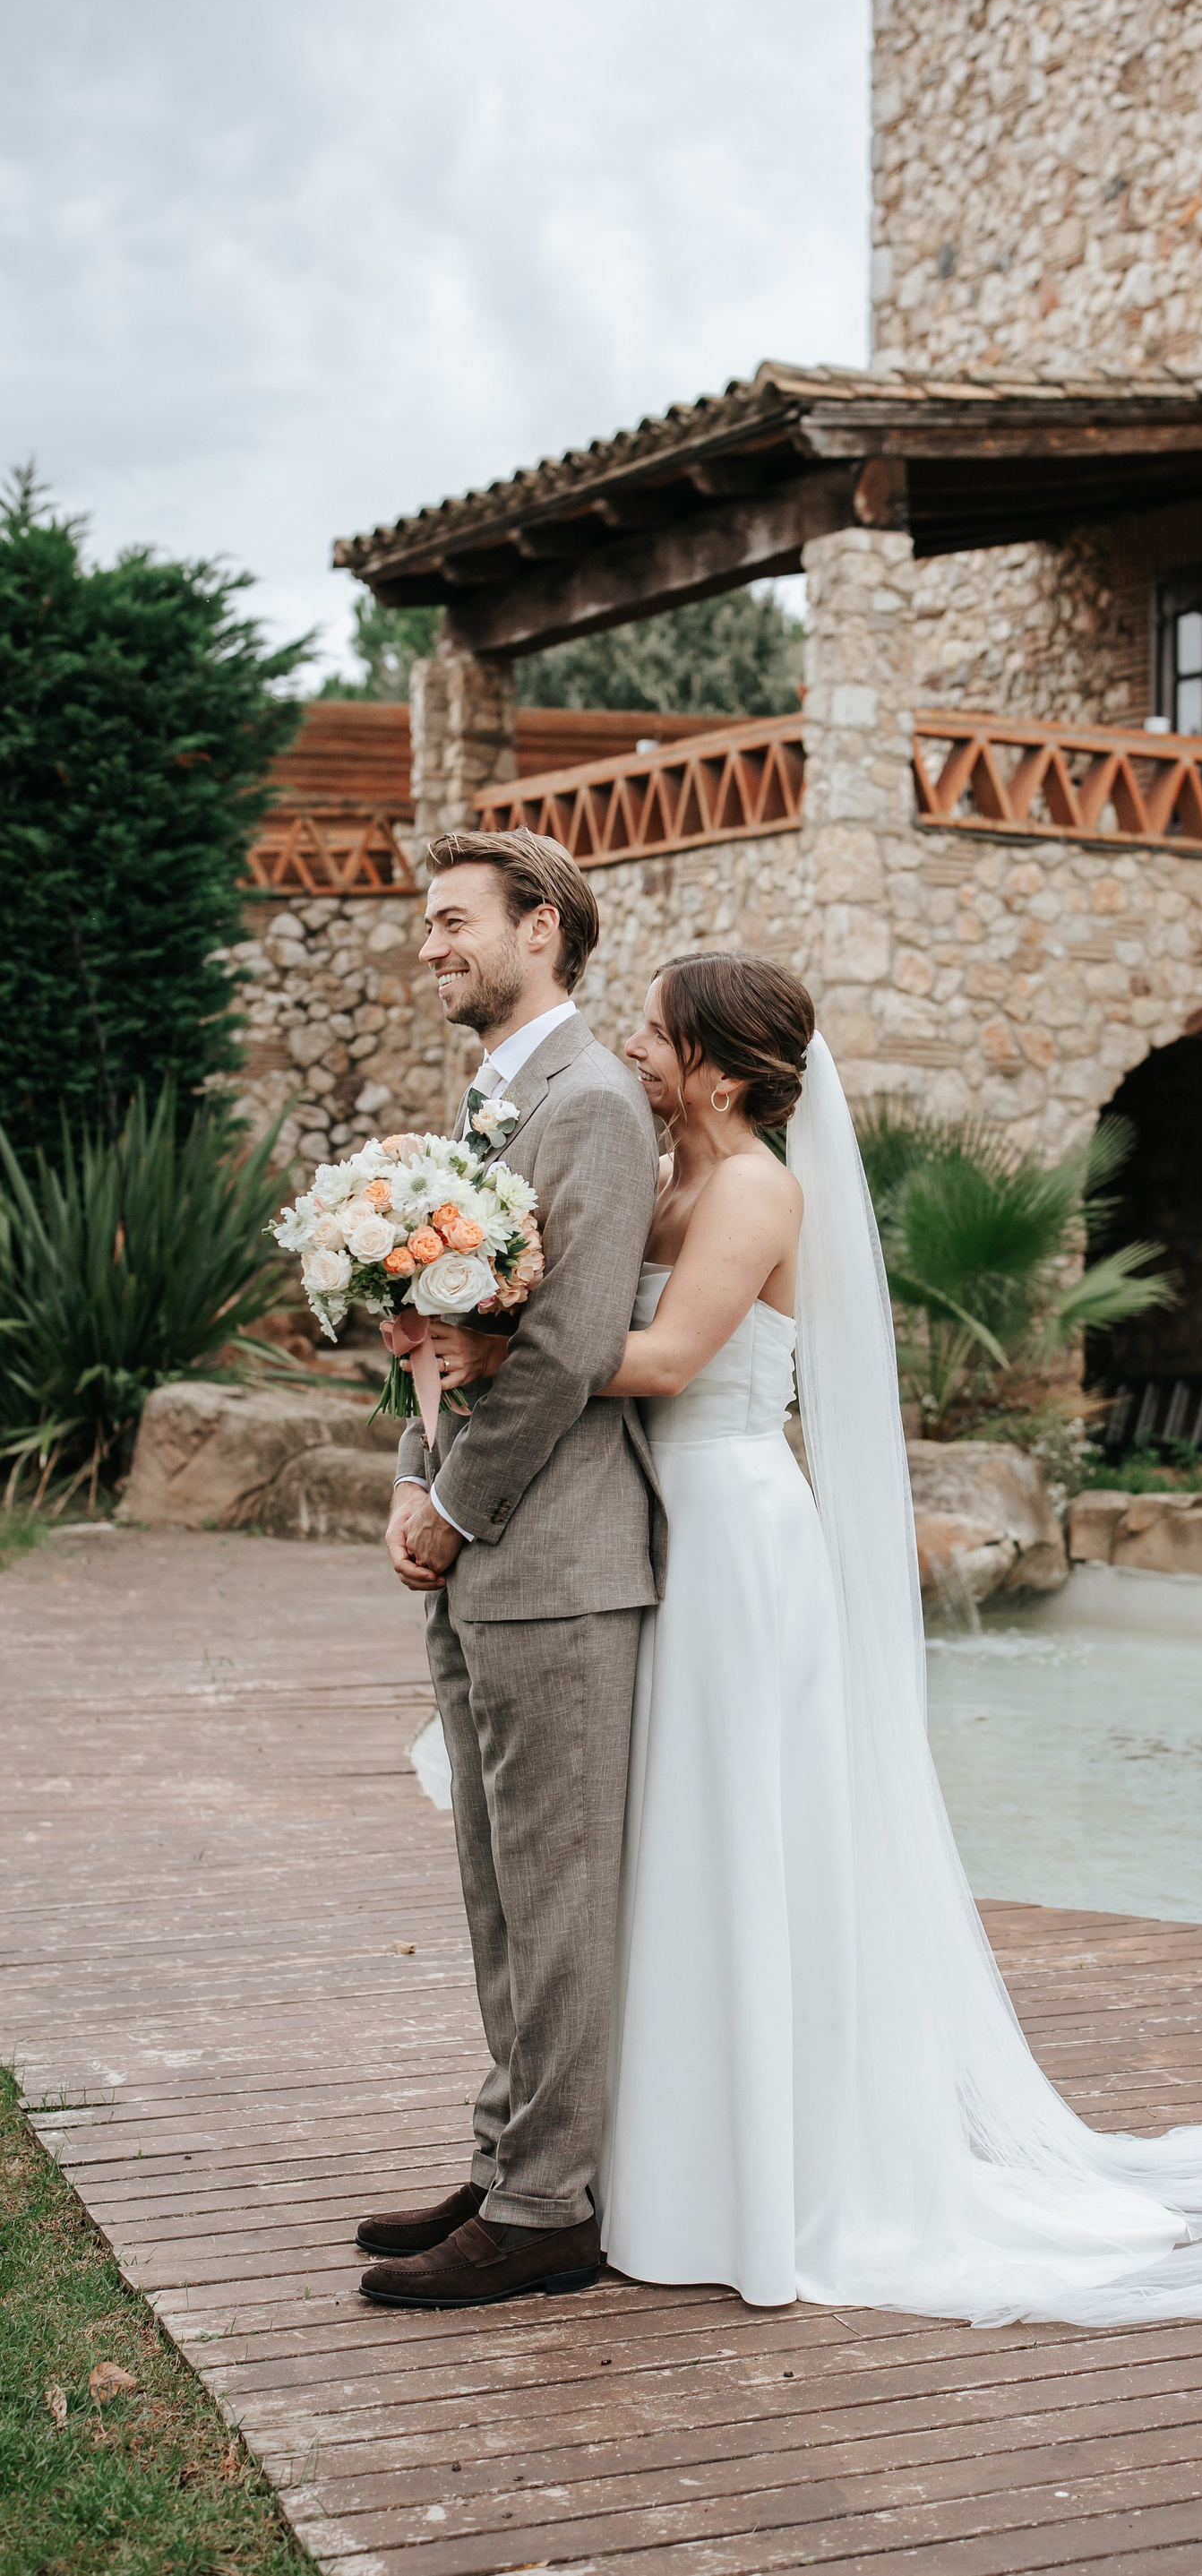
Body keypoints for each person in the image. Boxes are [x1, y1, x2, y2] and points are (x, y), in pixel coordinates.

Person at [404, 948, 1202, 2327]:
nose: (637, 1050)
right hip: (664, 1526)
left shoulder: (759, 1189)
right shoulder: (660, 1180)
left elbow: (662, 1360)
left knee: (742, 1838)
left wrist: (508, 1352)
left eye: (658, 1034)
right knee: (678, 1843)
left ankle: (751, 2177)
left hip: (736, 1534)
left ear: (717, 1066)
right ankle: (628, 2164)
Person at [356, 828, 665, 2313]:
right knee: (494, 1882)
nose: (430, 946)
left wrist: (456, 1509)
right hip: (482, 1551)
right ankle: (503, 2158)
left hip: (557, 1556)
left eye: (452, 920)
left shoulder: (593, 1103)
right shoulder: (491, 1104)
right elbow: (437, 1336)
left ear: (541, 926)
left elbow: (567, 1351)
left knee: (555, 1892)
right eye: (427, 924)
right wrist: (411, 1483)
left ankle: (549, 2207)